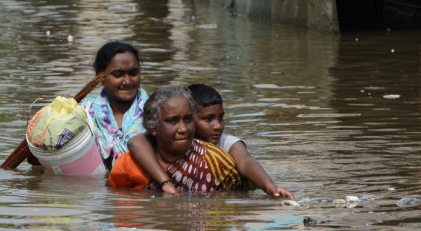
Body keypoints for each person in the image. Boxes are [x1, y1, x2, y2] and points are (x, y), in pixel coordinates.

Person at [127, 83, 294, 199]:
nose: (217, 126)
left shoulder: (226, 144)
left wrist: (269, 186)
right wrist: (165, 182)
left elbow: (246, 162)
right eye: (208, 119)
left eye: (221, 118)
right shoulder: (169, 140)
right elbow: (136, 142)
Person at [108, 85, 249, 193]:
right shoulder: (128, 165)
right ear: (153, 128)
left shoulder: (216, 161)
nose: (183, 129)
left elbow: (243, 196)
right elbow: (114, 203)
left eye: (188, 119)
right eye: (172, 121)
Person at [81, 41, 148, 170]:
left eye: (133, 73)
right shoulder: (85, 113)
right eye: (118, 75)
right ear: (100, 77)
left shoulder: (155, 111)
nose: (127, 81)